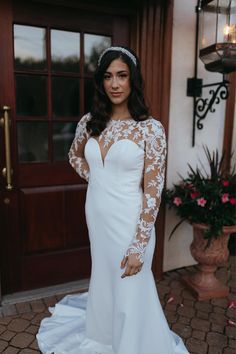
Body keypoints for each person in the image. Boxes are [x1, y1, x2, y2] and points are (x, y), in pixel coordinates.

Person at [36, 46, 189, 354]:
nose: (115, 84)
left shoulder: (151, 129)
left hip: (131, 219)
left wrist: (139, 244)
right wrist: (95, 176)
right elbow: (73, 155)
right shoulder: (89, 122)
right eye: (108, 77)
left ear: (133, 80)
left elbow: (153, 191)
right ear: (101, 82)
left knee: (130, 284)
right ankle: (103, 337)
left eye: (122, 75)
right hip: (97, 214)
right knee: (105, 280)